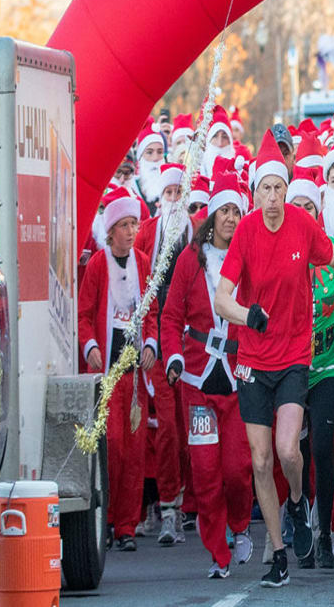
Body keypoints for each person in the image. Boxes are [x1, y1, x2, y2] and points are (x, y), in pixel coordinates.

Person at [213, 130, 334, 588]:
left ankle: (297, 501)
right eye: (264, 189)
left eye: (278, 188)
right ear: (255, 193)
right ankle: (278, 553)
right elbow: (222, 298)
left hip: (295, 353)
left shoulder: (299, 223)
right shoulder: (248, 231)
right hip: (254, 360)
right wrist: (247, 315)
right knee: (257, 461)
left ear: (286, 188)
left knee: (287, 449)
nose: (272, 198)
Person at [161, 176, 254, 578]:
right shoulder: (190, 258)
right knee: (204, 471)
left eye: (237, 211)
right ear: (211, 215)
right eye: (225, 211)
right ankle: (219, 553)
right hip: (197, 381)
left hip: (237, 379)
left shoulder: (249, 258)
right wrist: (174, 358)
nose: (231, 218)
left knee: (236, 469)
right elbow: (170, 317)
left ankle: (238, 525)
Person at [78, 189, 158, 552]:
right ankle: (106, 519)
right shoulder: (97, 264)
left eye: (133, 224)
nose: (130, 231)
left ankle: (127, 525)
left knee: (136, 451)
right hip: (108, 374)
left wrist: (151, 345)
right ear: (110, 230)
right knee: (112, 448)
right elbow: (83, 314)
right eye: (123, 225)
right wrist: (90, 345)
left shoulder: (144, 263)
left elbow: (152, 314)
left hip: (135, 377)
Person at [284, 169, 334, 568]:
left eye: (309, 206)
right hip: (291, 365)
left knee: (324, 448)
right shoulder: (281, 253)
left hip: (326, 365)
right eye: (296, 206)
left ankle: (326, 531)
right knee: (294, 451)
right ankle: (300, 520)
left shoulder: (331, 250)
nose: (303, 213)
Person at [133, 162, 193, 545]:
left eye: (178, 194)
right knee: (167, 427)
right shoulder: (147, 233)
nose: (173, 200)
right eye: (168, 193)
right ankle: (168, 507)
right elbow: (135, 287)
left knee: (192, 427)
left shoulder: (196, 234)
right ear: (160, 197)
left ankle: (195, 505)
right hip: (157, 339)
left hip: (193, 339)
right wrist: (148, 342)